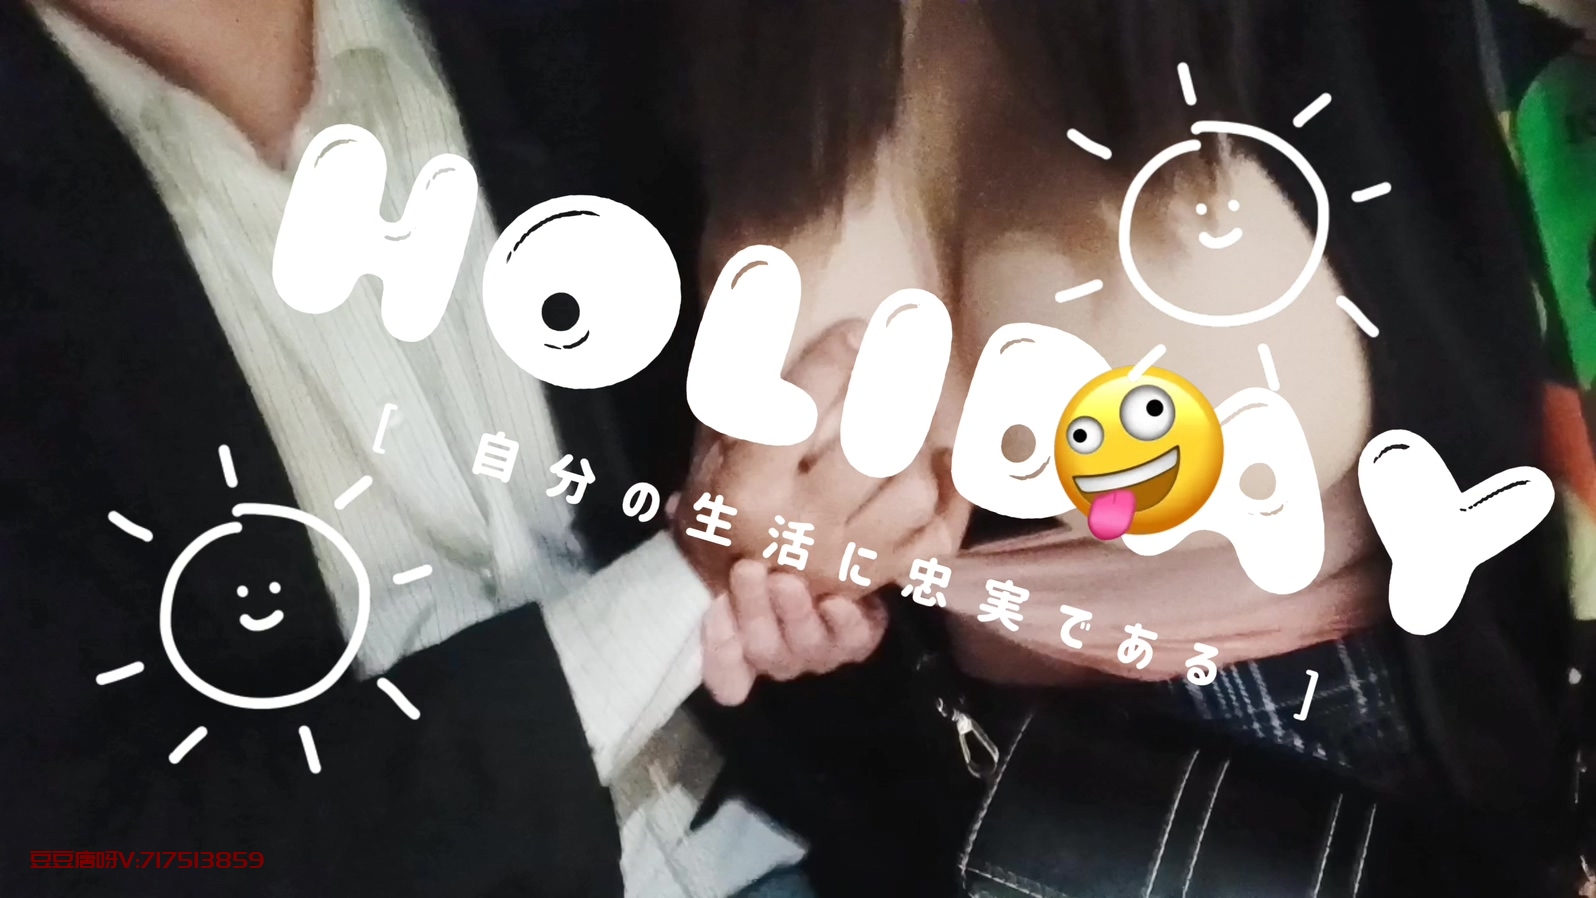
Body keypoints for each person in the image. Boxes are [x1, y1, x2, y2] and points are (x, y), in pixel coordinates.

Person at [0, 1, 915, 895]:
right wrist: (688, 581)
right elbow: (96, 851)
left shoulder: (586, 35)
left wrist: (836, 529)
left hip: (820, 814)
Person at [669, 0, 1576, 893]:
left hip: (1388, 750)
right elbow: (680, 500)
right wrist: (762, 586)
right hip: (986, 783)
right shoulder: (722, 38)